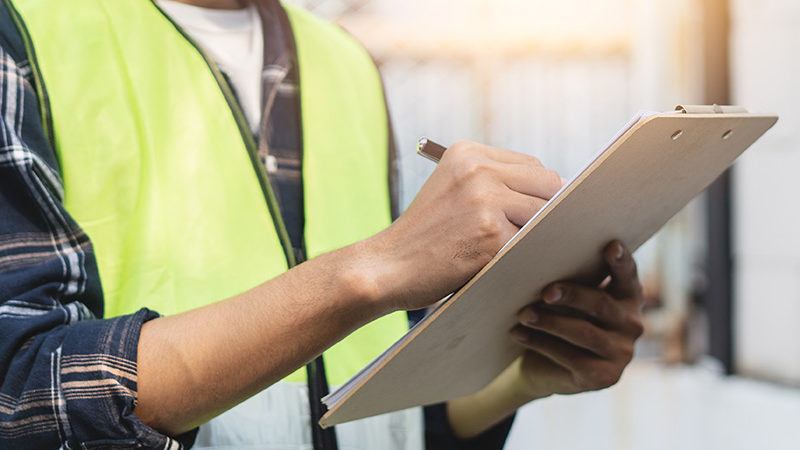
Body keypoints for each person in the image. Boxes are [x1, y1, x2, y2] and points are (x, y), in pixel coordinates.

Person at [0, 0, 645, 449]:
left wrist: (517, 378)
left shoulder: (343, 60)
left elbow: (361, 404)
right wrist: (372, 269)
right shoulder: (25, 33)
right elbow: (20, 393)